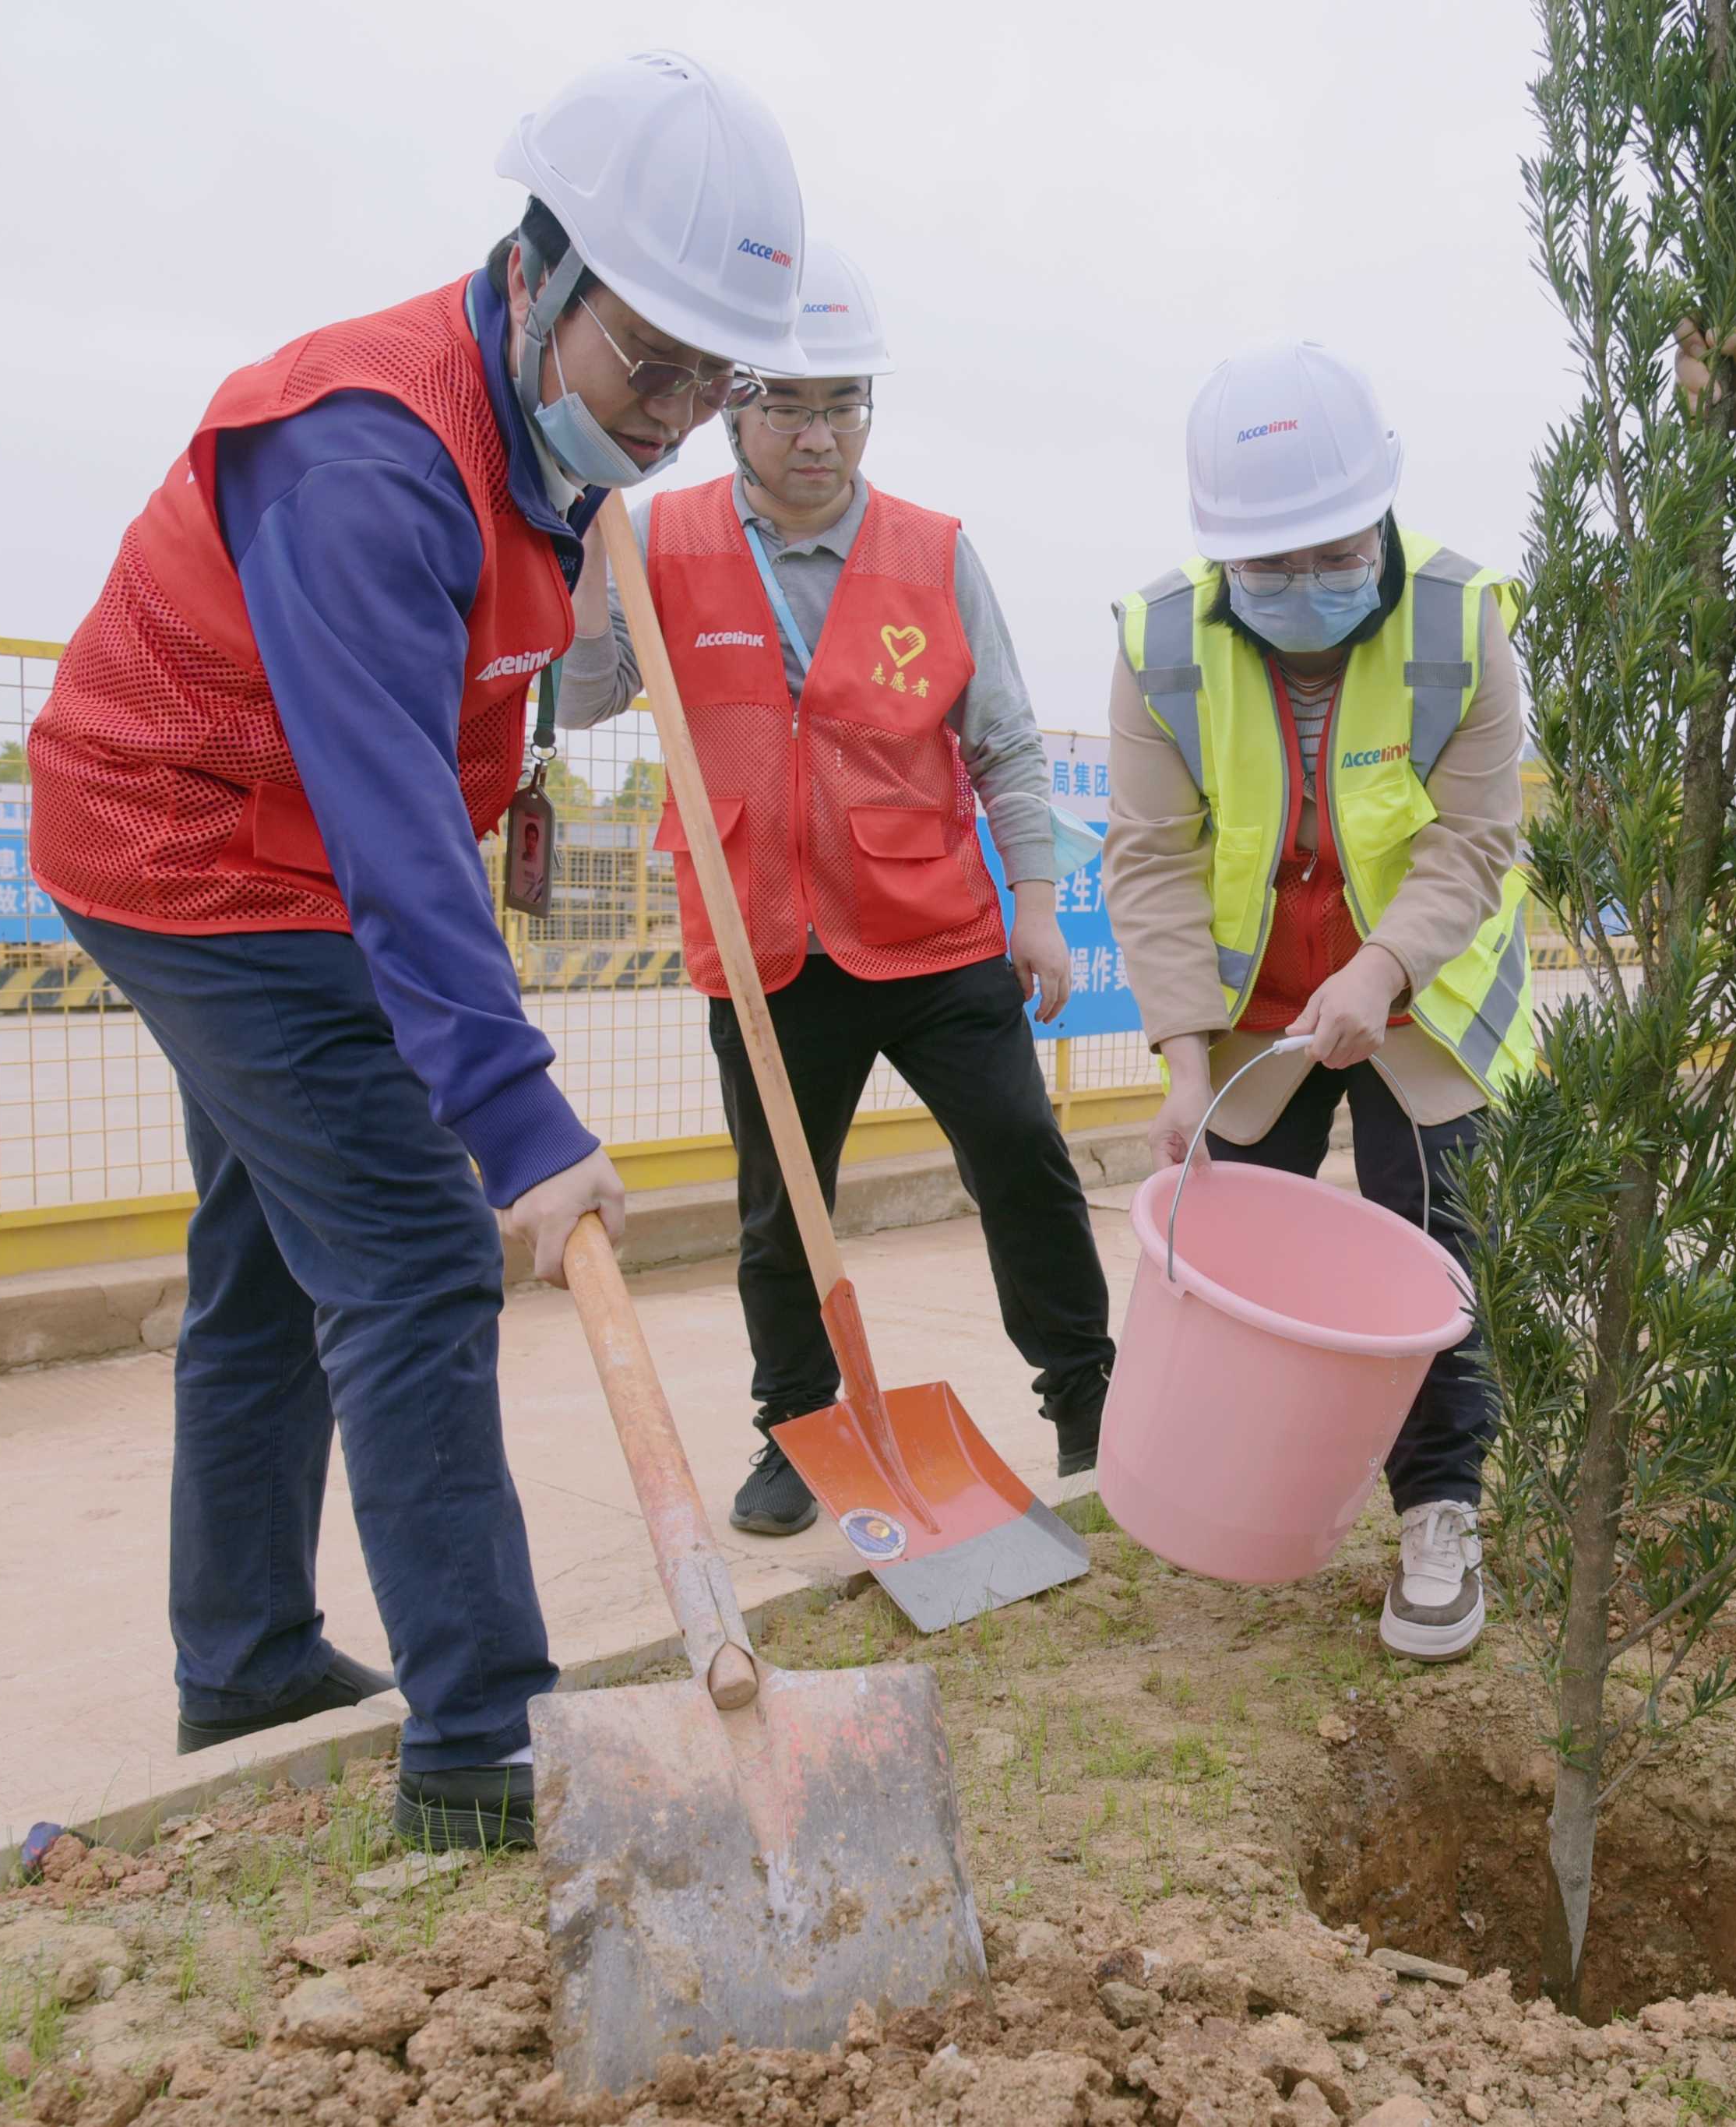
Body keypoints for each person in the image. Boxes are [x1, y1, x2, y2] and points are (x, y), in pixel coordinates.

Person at [26, 52, 810, 1851]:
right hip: (192, 849)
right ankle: (482, 1747)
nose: (678, 413)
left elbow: (442, 765)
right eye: (650, 364)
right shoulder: (371, 452)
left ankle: (242, 1657)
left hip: (293, 847)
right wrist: (519, 1126)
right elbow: (390, 831)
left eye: (712, 379)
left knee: (269, 1257)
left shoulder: (539, 437)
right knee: (413, 1253)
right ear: (534, 273)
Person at [558, 244, 1117, 1534]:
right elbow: (582, 703)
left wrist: (1033, 904)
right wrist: (584, 595)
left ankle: (1087, 1397)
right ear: (731, 406)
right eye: (788, 404)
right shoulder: (658, 543)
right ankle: (798, 1432)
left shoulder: (933, 551)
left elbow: (1007, 741)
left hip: (933, 936)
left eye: (842, 404)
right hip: (766, 945)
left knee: (1024, 1157)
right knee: (777, 1207)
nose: (818, 435)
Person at [1104, 342, 1537, 1662]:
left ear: (1381, 510)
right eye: (1268, 566)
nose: (1302, 586)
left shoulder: (1466, 628)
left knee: (1437, 1259)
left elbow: (1472, 840)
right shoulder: (1159, 643)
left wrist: (1380, 970)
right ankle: (1232, 1499)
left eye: (1330, 552)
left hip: (1424, 1001)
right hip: (1250, 1013)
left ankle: (1438, 1515)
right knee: (1229, 1257)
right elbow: (1151, 855)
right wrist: (1186, 1058)